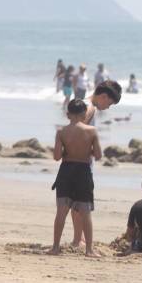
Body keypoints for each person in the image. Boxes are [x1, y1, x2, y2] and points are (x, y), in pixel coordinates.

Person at [69, 81, 122, 248]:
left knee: (78, 201)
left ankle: (80, 238)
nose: (108, 107)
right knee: (80, 202)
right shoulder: (90, 108)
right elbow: (76, 132)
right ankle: (78, 240)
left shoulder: (84, 104)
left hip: (76, 161)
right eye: (109, 103)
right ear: (103, 96)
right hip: (80, 163)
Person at [48, 99, 102, 257]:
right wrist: (87, 151)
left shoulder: (61, 132)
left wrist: (67, 152)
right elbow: (98, 155)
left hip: (66, 171)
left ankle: (55, 247)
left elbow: (57, 157)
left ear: (67, 114)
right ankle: (89, 250)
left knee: (61, 212)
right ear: (85, 113)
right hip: (83, 171)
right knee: (85, 212)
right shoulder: (91, 131)